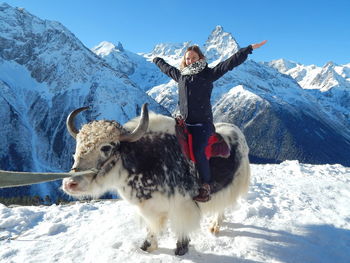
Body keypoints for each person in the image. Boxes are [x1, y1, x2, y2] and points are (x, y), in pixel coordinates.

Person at [153, 40, 267, 202]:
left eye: (193, 57)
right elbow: (166, 68)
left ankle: (205, 185)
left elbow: (228, 64)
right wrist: (156, 59)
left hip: (202, 124)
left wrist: (247, 50)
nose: (190, 61)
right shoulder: (181, 76)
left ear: (200, 58)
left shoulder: (208, 74)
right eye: (187, 58)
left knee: (199, 151)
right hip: (184, 123)